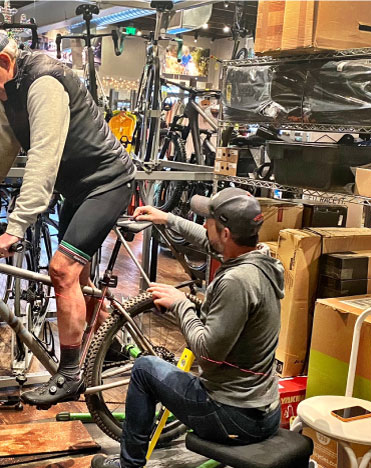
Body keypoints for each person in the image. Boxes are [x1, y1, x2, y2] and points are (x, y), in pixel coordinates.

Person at [91, 187, 285, 468]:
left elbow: (207, 355)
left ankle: (128, 465)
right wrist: (167, 219)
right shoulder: (262, 259)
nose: (204, 225)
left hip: (235, 418)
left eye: (209, 221)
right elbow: (210, 242)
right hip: (262, 410)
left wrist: (181, 304)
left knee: (144, 369)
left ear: (226, 233)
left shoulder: (237, 282)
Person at [0, 34, 135, 406]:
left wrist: (15, 227)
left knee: (62, 271)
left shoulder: (43, 82)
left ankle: (71, 374)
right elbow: (3, 149)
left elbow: (43, 159)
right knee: (83, 283)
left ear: (4, 62)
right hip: (76, 189)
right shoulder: (7, 91)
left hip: (107, 182)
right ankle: (111, 347)